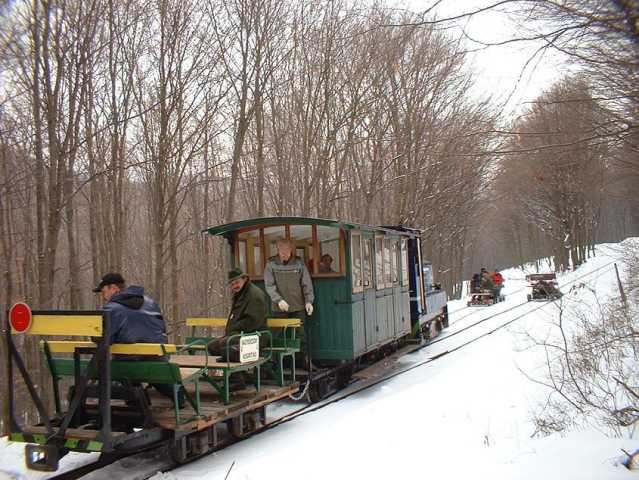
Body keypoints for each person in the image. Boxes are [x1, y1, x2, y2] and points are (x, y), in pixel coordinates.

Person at [92, 272, 178, 406]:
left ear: (114, 288)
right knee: (154, 372)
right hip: (159, 358)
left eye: (103, 292)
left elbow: (106, 338)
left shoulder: (112, 309)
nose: (103, 297)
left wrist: (95, 337)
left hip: (129, 362)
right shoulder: (150, 302)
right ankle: (179, 396)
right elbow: (161, 330)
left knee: (122, 369)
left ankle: (139, 405)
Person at [264, 238, 315, 367]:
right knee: (276, 335)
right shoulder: (271, 264)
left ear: (291, 250)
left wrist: (309, 301)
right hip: (278, 307)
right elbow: (269, 285)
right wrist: (278, 300)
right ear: (278, 250)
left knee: (301, 335)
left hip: (298, 306)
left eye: (286, 251)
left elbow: (306, 284)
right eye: (281, 251)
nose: (284, 253)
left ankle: (305, 360)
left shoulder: (299, 264)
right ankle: (272, 362)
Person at [207, 268, 268, 360]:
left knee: (225, 344)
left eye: (236, 282)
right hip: (241, 335)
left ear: (245, 279)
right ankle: (230, 372)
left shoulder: (254, 295)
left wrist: (234, 330)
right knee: (212, 346)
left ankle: (235, 373)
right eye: (232, 284)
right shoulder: (240, 294)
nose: (234, 286)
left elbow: (253, 321)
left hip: (255, 336)